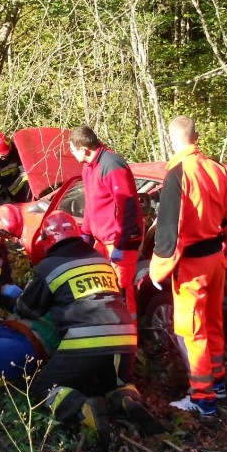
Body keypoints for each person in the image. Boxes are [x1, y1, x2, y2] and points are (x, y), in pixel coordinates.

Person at [14, 211, 163, 448]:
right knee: (112, 382)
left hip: (85, 341)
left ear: (47, 239)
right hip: (125, 338)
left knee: (42, 388)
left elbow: (27, 308)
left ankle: (83, 408)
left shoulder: (48, 266)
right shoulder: (100, 260)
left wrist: (14, 295)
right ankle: (127, 399)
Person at [148, 116, 227, 419]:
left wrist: (158, 271)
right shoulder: (216, 168)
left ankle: (203, 398)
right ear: (196, 136)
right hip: (216, 261)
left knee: (192, 332)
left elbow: (168, 231)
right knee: (213, 323)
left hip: (192, 265)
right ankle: (219, 382)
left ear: (171, 138)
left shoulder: (177, 173)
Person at [68, 126, 144, 320]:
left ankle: (130, 341)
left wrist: (120, 244)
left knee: (121, 292)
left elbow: (127, 207)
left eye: (72, 150)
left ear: (84, 149)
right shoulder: (89, 168)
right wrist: (85, 233)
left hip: (121, 241)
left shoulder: (111, 164)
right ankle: (107, 330)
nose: (71, 154)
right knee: (101, 287)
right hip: (104, 240)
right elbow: (92, 204)